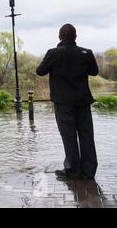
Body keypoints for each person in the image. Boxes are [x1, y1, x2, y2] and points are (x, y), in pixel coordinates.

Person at [36, 24, 99, 180]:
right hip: (83, 101)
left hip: (63, 103)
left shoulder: (53, 53)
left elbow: (40, 71)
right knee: (86, 135)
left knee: (69, 136)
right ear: (76, 37)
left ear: (59, 37)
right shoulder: (86, 53)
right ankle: (89, 171)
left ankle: (72, 171)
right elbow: (94, 71)